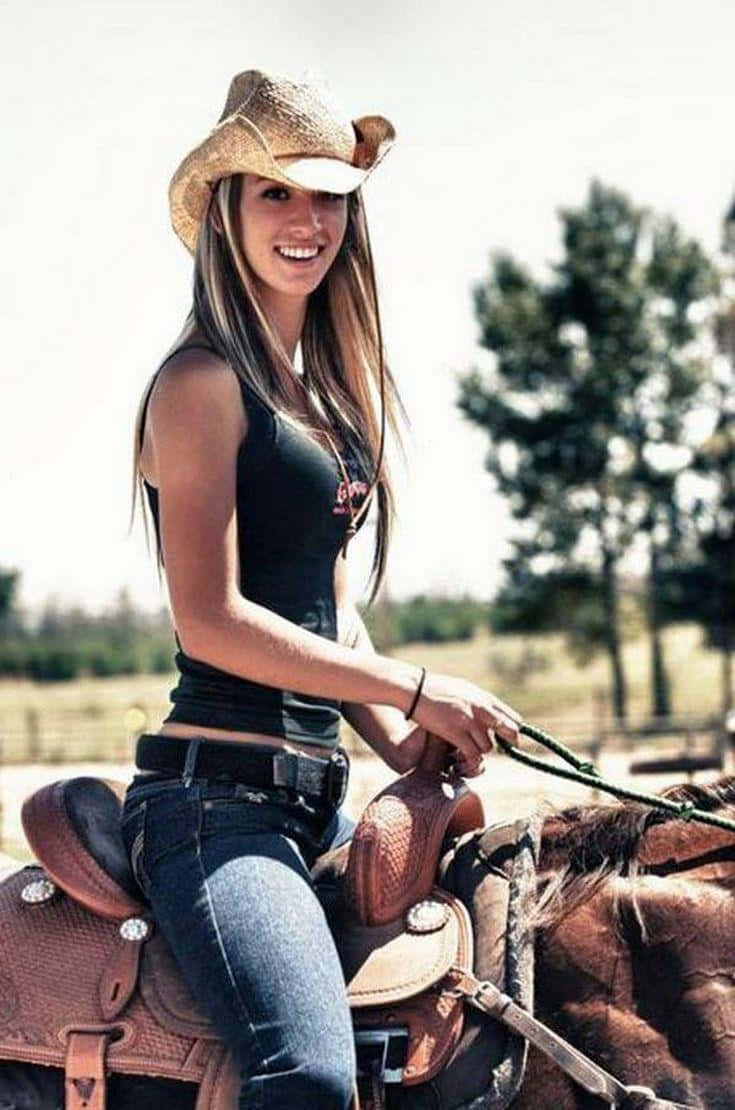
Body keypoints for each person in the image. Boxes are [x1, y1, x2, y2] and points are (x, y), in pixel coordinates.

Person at [121, 68, 522, 1109]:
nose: (310, 220)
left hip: (320, 805)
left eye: (330, 195)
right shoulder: (201, 383)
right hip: (216, 809)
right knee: (304, 1074)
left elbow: (324, 616)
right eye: (278, 194)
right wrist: (411, 684)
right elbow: (208, 620)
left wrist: (407, 739)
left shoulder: (321, 403)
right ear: (227, 212)